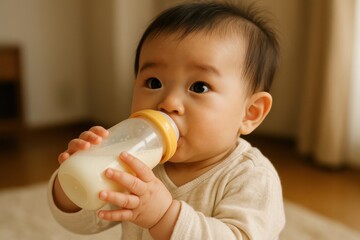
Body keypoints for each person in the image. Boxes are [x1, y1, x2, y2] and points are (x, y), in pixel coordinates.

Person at [47, 1, 285, 239]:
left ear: (250, 113)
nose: (169, 102)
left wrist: (165, 217)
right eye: (154, 83)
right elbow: (87, 221)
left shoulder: (251, 177)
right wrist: (73, 184)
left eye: (199, 87)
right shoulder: (133, 160)